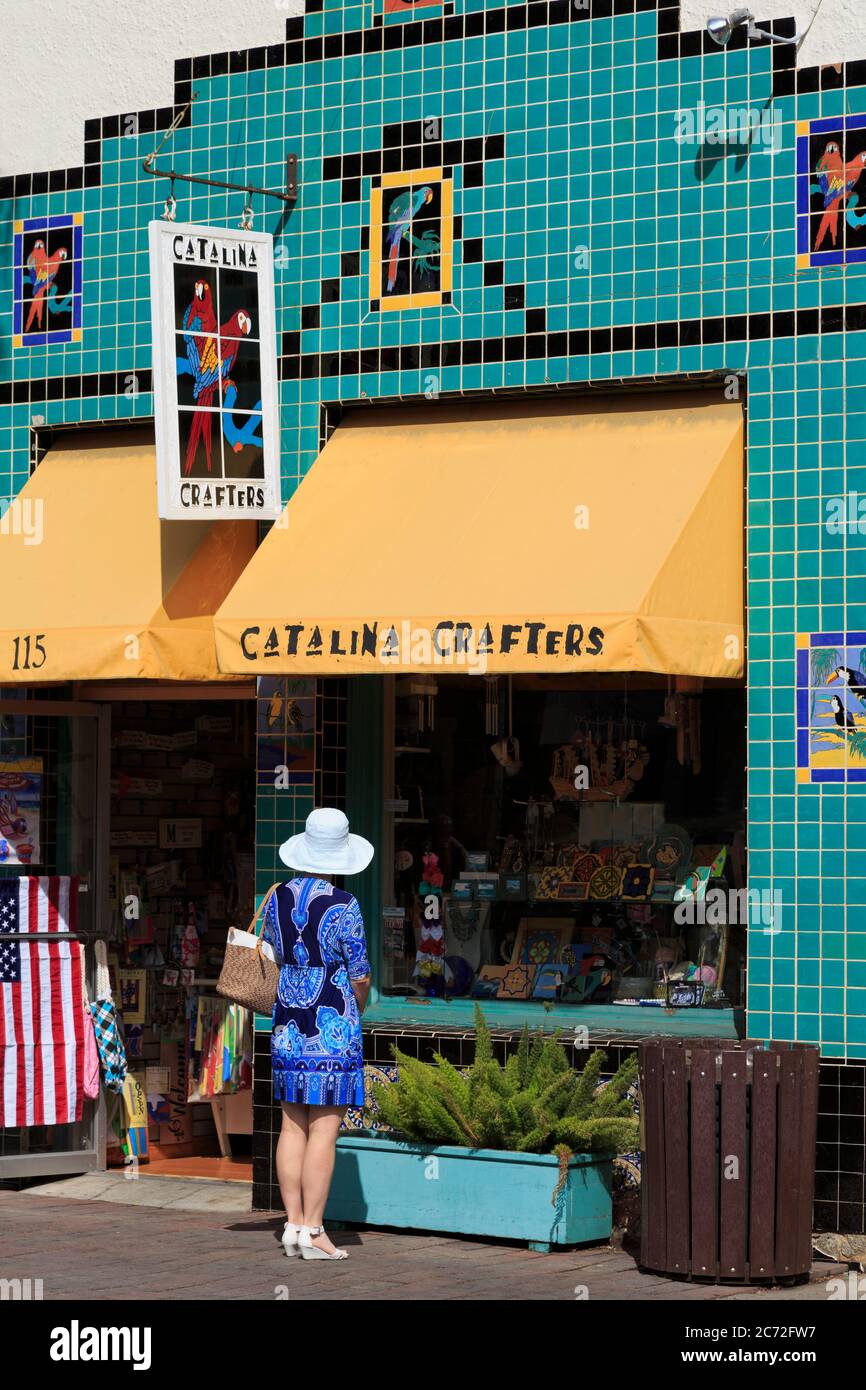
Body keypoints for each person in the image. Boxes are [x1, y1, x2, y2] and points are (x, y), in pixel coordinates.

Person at [262, 807, 374, 1260]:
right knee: (324, 1129)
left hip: (288, 1018)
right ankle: (313, 1231)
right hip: (332, 1020)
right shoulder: (344, 905)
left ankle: (291, 1225)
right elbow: (361, 973)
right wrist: (357, 1007)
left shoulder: (276, 897)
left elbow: (271, 951)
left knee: (292, 1123)